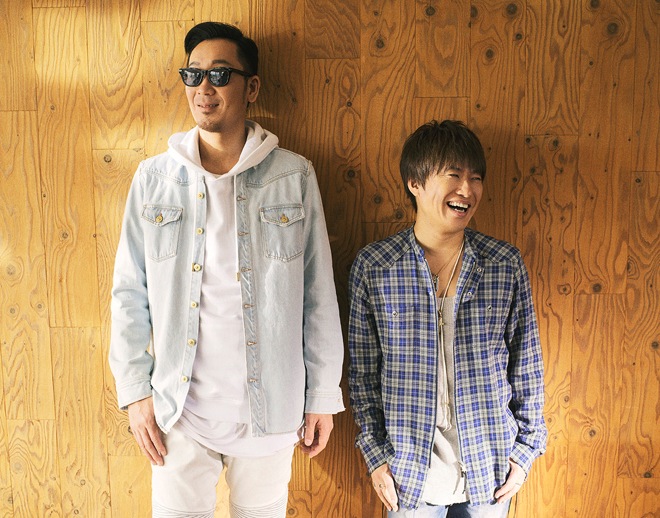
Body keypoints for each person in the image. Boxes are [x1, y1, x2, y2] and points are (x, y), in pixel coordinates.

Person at [109, 21, 344, 518]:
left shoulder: (293, 176)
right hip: (178, 412)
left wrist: (323, 394)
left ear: (251, 87)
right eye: (192, 75)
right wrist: (134, 393)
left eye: (219, 74)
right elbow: (129, 291)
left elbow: (317, 294)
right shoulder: (155, 179)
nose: (203, 88)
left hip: (270, 412)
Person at [348, 120, 547, 517]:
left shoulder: (503, 263)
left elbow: (527, 364)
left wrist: (525, 452)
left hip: (491, 467)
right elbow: (363, 375)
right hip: (408, 472)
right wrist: (376, 456)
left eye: (476, 178)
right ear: (415, 183)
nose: (467, 190)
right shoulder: (376, 267)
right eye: (454, 175)